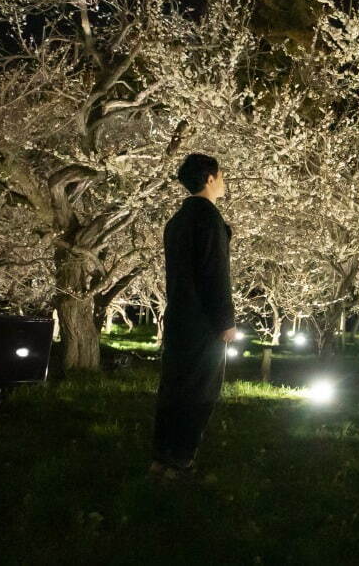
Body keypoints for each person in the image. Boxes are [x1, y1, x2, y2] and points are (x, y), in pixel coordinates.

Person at [151, 153, 236, 480]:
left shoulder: (177, 221)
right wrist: (225, 321)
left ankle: (161, 456)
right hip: (203, 322)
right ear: (210, 178)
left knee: (173, 387)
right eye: (222, 175)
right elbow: (214, 274)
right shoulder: (208, 219)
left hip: (178, 317)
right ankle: (181, 459)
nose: (224, 181)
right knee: (201, 390)